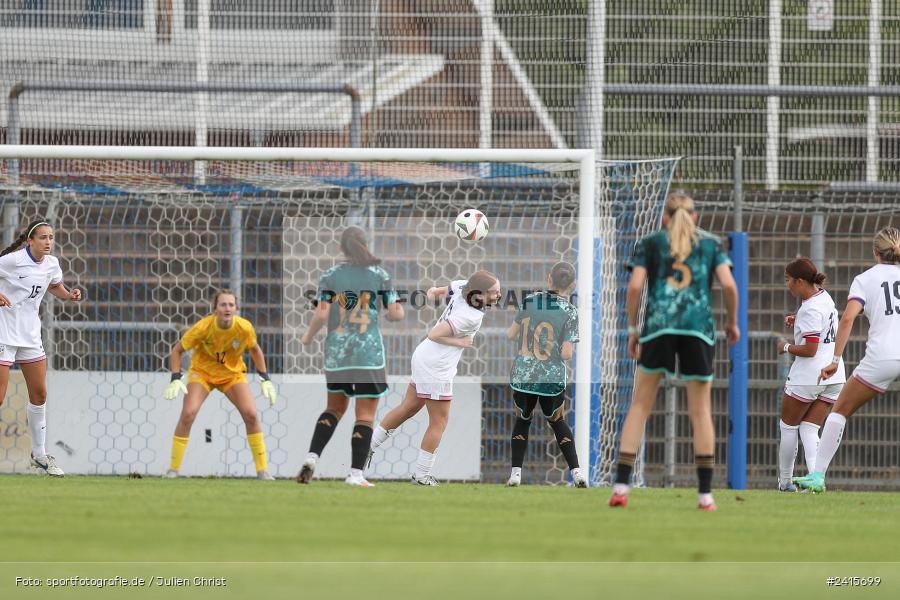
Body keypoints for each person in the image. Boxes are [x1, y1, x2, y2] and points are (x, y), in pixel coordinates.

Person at [609, 192, 739, 511]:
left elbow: (636, 287)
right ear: (695, 217)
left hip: (658, 328)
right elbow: (730, 285)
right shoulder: (710, 243)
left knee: (640, 406)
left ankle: (621, 488)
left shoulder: (651, 242)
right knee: (701, 411)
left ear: (664, 217)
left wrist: (633, 330)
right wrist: (731, 323)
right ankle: (705, 496)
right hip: (698, 328)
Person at [369, 271, 501, 486]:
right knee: (439, 421)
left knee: (409, 407)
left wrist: (434, 293)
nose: (498, 295)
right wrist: (461, 343)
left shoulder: (463, 286)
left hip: (424, 357)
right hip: (437, 366)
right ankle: (422, 476)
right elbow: (434, 333)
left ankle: (367, 446)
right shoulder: (469, 316)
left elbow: (437, 291)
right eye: (494, 292)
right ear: (479, 294)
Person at [795, 227, 900, 493]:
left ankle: (817, 476)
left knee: (839, 410)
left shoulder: (865, 279)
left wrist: (835, 359)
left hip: (883, 357)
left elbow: (848, 318)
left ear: (875, 251)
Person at [297, 227, 404, 487]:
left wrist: (308, 337)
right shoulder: (380, 275)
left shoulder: (331, 276)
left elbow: (322, 315)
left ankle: (311, 458)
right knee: (365, 416)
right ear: (366, 244)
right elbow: (397, 313)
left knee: (334, 408)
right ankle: (355, 474)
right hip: (368, 355)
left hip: (338, 354)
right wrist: (389, 315)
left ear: (341, 249)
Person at [163, 290, 277, 479]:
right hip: (203, 374)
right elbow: (177, 351)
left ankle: (263, 471)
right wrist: (176, 378)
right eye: (223, 305)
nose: (227, 308)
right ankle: (173, 470)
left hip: (232, 375)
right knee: (188, 414)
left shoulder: (244, 328)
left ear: (236, 308)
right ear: (215, 309)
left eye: (231, 305)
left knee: (251, 414)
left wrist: (265, 378)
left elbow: (256, 351)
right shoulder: (202, 327)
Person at [0, 220, 82, 477]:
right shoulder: (12, 261)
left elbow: (53, 285)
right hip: (4, 334)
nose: (48, 242)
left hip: (30, 337)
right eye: (43, 237)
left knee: (40, 395)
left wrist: (68, 295)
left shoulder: (52, 264)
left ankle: (39, 455)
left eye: (51, 237)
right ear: (30, 241)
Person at [506, 261, 586, 488]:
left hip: (524, 376)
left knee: (523, 419)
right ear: (573, 284)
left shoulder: (530, 301)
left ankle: (515, 474)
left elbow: (510, 335)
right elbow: (567, 354)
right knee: (558, 421)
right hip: (551, 378)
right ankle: (577, 472)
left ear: (548, 279)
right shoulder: (570, 311)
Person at [776, 258, 844, 492]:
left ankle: (785, 482)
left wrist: (785, 347)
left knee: (788, 427)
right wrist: (798, 323)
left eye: (788, 281)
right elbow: (823, 326)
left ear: (801, 281)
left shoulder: (810, 308)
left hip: (809, 376)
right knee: (809, 428)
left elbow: (809, 349)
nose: (788, 286)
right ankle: (816, 480)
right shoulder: (823, 296)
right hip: (834, 375)